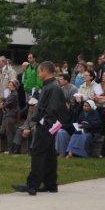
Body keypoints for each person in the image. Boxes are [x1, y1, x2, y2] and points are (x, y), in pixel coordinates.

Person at [13, 61, 65, 195]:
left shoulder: (53, 87)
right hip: (48, 124)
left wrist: (41, 121)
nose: (38, 74)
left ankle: (32, 185)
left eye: (39, 71)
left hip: (47, 125)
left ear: (44, 71)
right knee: (49, 154)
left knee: (37, 152)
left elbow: (52, 110)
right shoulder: (50, 86)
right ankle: (50, 184)